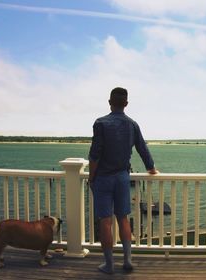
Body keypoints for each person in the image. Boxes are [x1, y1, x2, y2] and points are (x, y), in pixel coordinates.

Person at [88, 87, 158, 274]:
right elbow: (143, 149)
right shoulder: (132, 124)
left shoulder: (100, 123)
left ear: (110, 102)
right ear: (126, 104)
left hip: (103, 178)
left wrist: (91, 178)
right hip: (122, 177)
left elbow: (94, 155)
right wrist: (150, 168)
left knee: (105, 221)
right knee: (123, 218)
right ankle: (127, 260)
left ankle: (109, 264)